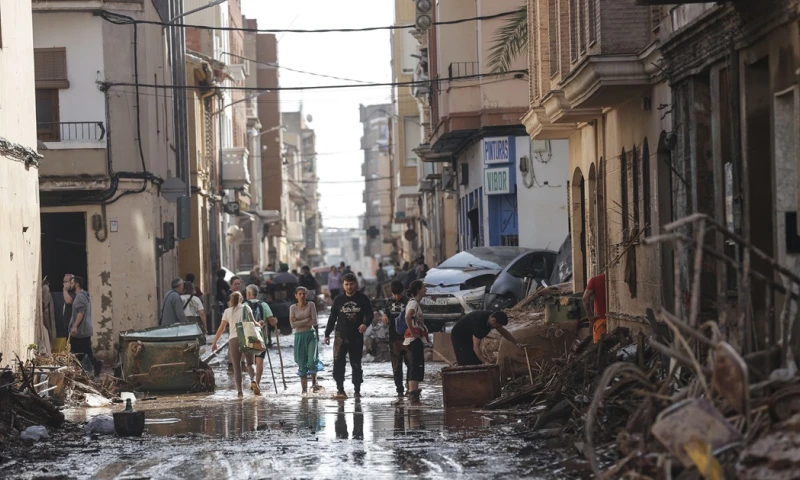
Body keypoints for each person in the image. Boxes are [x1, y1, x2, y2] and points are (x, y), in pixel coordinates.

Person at [324, 273, 373, 399]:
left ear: (355, 284)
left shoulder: (362, 299)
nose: (349, 287)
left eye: (351, 284)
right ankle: (340, 389)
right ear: (343, 285)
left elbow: (369, 314)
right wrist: (327, 334)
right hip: (340, 336)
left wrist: (365, 324)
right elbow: (332, 317)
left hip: (356, 337)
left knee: (356, 364)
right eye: (346, 284)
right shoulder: (338, 300)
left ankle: (357, 390)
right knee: (338, 363)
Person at [211, 291, 257, 397]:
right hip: (246, 336)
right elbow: (254, 323)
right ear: (241, 299)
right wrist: (261, 324)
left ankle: (240, 391)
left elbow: (221, 328)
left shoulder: (227, 311)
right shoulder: (247, 308)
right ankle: (253, 380)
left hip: (233, 339)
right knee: (250, 363)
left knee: (236, 367)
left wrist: (215, 342)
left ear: (231, 300)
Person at [451, 310, 520, 366]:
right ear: (493, 320)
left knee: (476, 361)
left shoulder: (492, 316)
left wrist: (516, 343)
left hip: (470, 334)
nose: (497, 328)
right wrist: (485, 362)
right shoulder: (479, 324)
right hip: (459, 336)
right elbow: (476, 347)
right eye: (497, 326)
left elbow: (503, 332)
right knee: (466, 361)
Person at [245, 285, 277, 395]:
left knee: (250, 362)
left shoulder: (244, 305)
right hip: (261, 337)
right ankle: (257, 383)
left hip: (247, 338)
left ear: (249, 294)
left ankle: (252, 380)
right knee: (259, 362)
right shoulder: (264, 305)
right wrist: (275, 321)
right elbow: (272, 321)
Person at [290, 287, 322, 396]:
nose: (302, 296)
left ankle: (314, 384)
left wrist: (299, 321)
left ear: (306, 295)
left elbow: (315, 321)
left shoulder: (311, 305)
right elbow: (292, 325)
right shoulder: (292, 308)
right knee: (301, 362)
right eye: (300, 294)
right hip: (299, 336)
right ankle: (304, 390)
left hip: (310, 335)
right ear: (296, 295)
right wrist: (307, 320)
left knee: (312, 361)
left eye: (304, 294)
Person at [68, 276, 102, 376]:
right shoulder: (84, 295)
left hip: (81, 331)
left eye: (72, 283)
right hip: (84, 331)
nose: (70, 285)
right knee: (85, 352)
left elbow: (80, 312)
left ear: (77, 284)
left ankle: (93, 366)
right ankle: (92, 366)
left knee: (78, 351)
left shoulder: (80, 296)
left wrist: (74, 326)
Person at [403, 280, 429, 403]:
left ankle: (413, 392)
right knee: (415, 365)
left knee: (415, 365)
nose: (426, 290)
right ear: (418, 290)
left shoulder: (415, 304)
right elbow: (408, 317)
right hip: (413, 340)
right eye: (424, 287)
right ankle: (413, 395)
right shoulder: (413, 304)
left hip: (415, 339)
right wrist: (413, 333)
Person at [381, 280, 409, 397]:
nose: (397, 297)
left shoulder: (408, 302)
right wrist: (384, 315)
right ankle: (399, 390)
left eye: (398, 294)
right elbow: (385, 314)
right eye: (394, 294)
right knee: (396, 366)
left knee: (410, 364)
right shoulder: (389, 303)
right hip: (393, 339)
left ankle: (410, 386)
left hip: (407, 338)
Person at [583, 272, 607, 343]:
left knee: (600, 349)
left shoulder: (595, 280)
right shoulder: (618, 278)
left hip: (601, 321)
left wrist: (590, 317)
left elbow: (585, 299)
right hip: (618, 320)